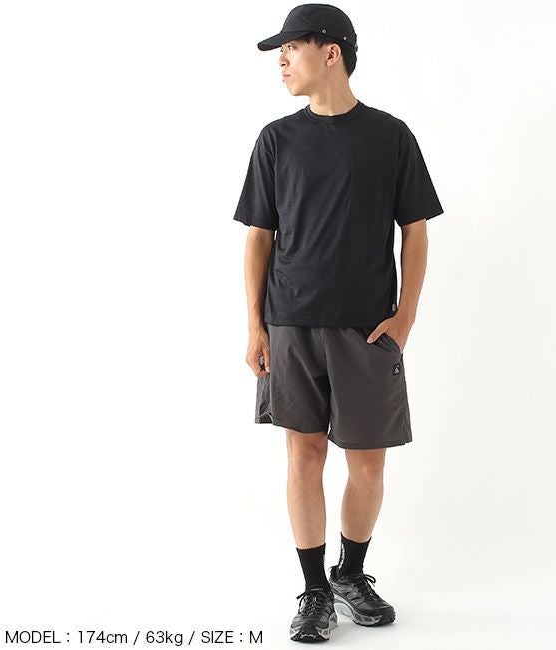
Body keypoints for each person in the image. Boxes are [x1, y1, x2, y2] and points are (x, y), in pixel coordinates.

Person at [233, 3, 444, 643]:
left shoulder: (390, 136)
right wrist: (255, 326)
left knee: (368, 464)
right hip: (291, 323)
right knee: (303, 454)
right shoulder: (276, 140)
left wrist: (406, 315)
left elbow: (415, 229)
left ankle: (350, 573)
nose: (281, 61)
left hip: (367, 329)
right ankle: (315, 590)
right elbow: (259, 238)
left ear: (331, 52)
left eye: (290, 48)